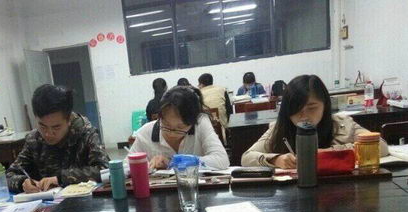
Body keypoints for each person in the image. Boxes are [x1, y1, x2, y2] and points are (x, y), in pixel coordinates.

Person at [241, 74, 389, 168]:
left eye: (312, 108)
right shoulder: (279, 129)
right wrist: (276, 160)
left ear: (325, 105)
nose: (304, 116)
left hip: (338, 193)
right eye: (296, 109)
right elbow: (246, 158)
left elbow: (381, 146)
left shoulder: (342, 124)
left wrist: (328, 153)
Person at [7, 84, 110, 193]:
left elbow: (105, 170)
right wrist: (22, 182)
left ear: (69, 119)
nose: (48, 134)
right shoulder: (34, 139)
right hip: (45, 200)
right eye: (42, 126)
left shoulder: (85, 133)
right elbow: (10, 175)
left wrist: (61, 179)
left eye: (56, 127)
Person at [130, 85, 230, 170]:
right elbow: (126, 167)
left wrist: (173, 162)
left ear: (193, 122)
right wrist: (146, 166)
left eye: (180, 127)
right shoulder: (146, 133)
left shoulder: (200, 123)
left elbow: (222, 160)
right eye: (166, 125)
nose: (172, 133)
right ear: (159, 117)